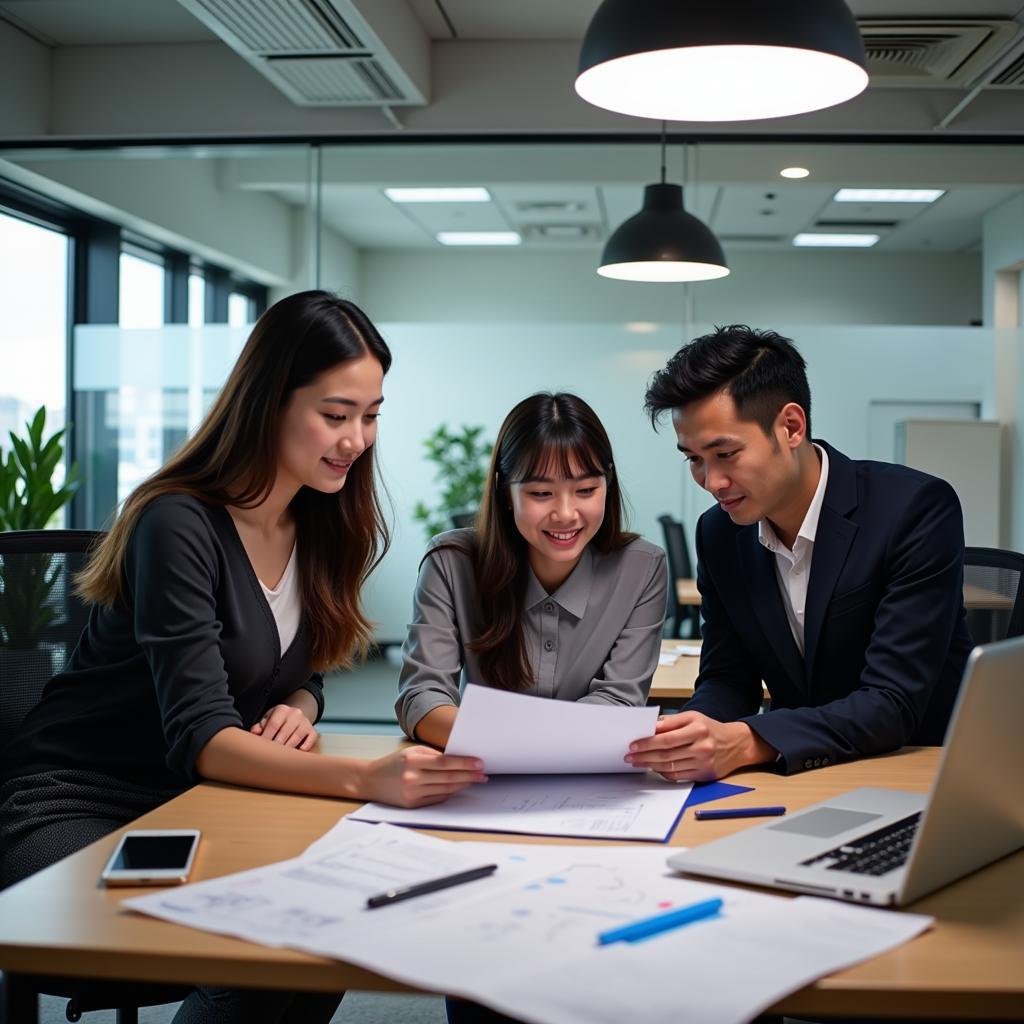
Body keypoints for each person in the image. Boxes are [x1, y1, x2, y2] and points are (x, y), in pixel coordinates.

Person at [0, 290, 485, 1023]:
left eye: (371, 414)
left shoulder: (319, 518)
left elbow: (307, 666)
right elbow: (202, 737)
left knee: (317, 936)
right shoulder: (178, 522)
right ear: (268, 402)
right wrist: (365, 776)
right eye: (336, 413)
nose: (356, 439)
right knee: (264, 945)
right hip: (78, 800)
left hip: (200, 802)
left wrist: (297, 705)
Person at [626, 325, 973, 782]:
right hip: (797, 772)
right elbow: (728, 678)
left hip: (915, 772)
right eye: (693, 459)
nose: (711, 482)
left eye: (725, 454)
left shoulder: (914, 509)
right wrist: (696, 729)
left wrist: (749, 740)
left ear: (791, 426)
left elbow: (891, 702)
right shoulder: (720, 534)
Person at [396, 391, 668, 749]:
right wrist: (526, 747)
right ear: (505, 492)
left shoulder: (643, 567)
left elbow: (618, 702)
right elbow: (422, 697)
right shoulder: (451, 562)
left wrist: (509, 743)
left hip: (586, 781)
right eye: (541, 494)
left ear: (608, 484)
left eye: (586, 490)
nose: (566, 514)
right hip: (482, 775)